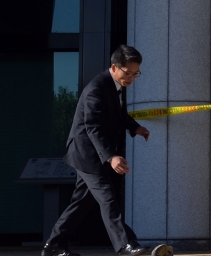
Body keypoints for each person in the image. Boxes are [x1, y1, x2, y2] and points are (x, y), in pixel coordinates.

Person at [42, 45, 151, 256]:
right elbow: (93, 127)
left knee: (81, 203)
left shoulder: (117, 85)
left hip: (95, 153)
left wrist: (135, 127)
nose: (130, 78)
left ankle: (54, 246)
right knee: (108, 197)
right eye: (127, 73)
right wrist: (111, 157)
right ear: (114, 67)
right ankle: (126, 244)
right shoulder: (96, 89)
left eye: (135, 74)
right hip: (86, 154)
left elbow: (119, 114)